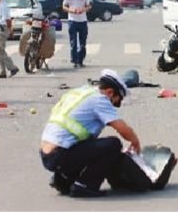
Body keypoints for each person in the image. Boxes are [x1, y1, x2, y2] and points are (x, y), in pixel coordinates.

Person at [40, 69, 141, 197]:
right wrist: (135, 141)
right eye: (115, 102)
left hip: (47, 153)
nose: (113, 106)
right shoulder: (100, 100)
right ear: (110, 92)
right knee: (113, 145)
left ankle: (63, 179)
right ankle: (85, 185)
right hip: (60, 154)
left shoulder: (81, 92)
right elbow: (122, 129)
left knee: (90, 145)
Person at [62, 0, 92, 68]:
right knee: (73, 42)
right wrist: (72, 10)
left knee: (82, 43)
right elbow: (64, 6)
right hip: (72, 21)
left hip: (82, 21)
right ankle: (75, 61)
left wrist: (83, 9)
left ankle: (80, 60)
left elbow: (89, 6)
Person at [0, 0, 19, 78]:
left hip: (2, 28)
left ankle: (12, 68)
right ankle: (2, 72)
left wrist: (9, 30)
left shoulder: (3, 5)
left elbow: (8, 20)